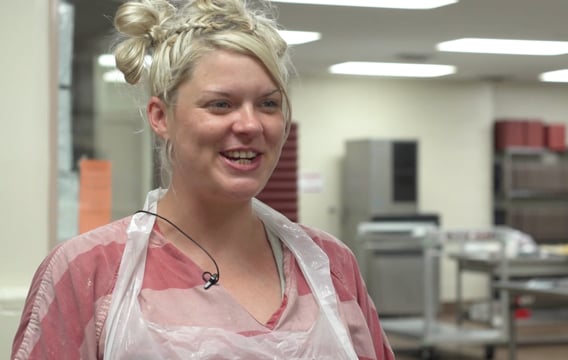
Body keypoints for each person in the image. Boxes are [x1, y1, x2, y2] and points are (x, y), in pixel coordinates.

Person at [12, 0, 395, 358]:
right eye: (220, 104)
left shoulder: (329, 265)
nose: (249, 125)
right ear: (160, 117)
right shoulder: (88, 271)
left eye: (268, 104)